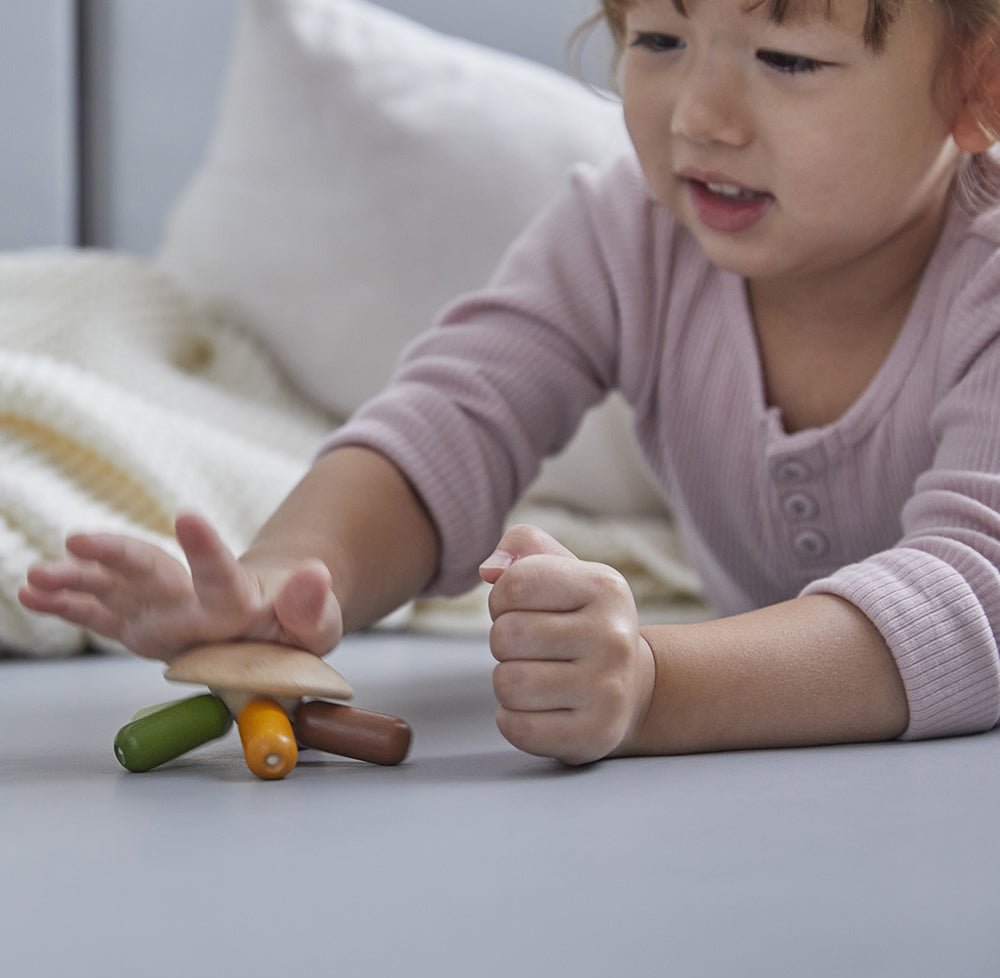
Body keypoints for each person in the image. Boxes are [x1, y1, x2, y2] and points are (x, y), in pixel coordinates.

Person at [19, 0, 1000, 765]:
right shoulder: (629, 234)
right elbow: (450, 422)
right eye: (658, 38)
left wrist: (658, 684)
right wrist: (284, 585)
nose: (699, 115)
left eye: (786, 58)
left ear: (976, 83)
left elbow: (974, 597)